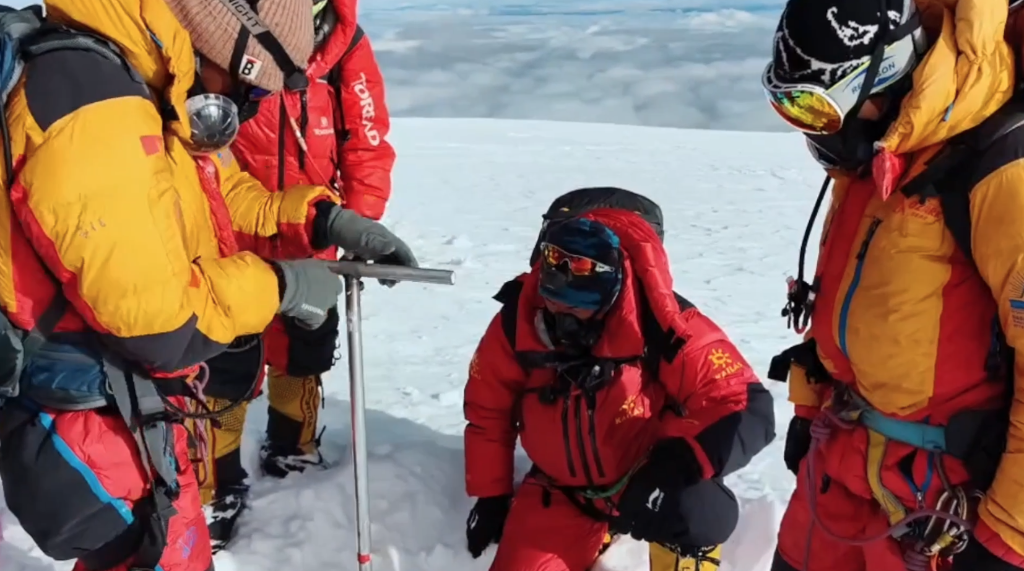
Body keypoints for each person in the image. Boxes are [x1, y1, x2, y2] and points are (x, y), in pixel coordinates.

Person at [0, 1, 416, 571]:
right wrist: (283, 284)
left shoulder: (145, 86)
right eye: (255, 90)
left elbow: (218, 189)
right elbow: (162, 325)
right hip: (97, 417)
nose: (249, 107)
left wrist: (326, 219)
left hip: (130, 406)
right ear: (230, 49)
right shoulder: (96, 106)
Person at [762, 0, 1024, 570]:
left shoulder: (998, 168)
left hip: (939, 511)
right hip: (836, 477)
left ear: (884, 71)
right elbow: (844, 303)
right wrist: (808, 411)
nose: (809, 130)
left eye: (815, 108)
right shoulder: (879, 152)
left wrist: (1009, 539)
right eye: (789, 105)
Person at [461, 190, 776, 571]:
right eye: (555, 265)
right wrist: (491, 494)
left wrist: (675, 467)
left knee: (699, 512)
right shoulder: (520, 319)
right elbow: (488, 410)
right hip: (561, 492)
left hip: (643, 480)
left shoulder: (663, 322)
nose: (559, 311)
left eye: (575, 303)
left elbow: (743, 402)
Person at [192, 0, 397, 551]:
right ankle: (213, 480)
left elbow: (367, 139)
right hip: (229, 227)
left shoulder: (343, 43)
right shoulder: (219, 28)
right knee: (224, 361)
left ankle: (292, 445)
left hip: (312, 227)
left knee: (304, 350)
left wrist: (356, 220)